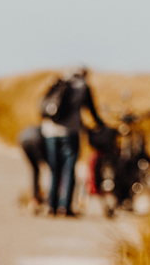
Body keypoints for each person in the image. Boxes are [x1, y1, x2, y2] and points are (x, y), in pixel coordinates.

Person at [38, 66, 102, 217]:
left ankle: (50, 206)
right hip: (70, 132)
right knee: (69, 169)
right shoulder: (83, 87)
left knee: (54, 170)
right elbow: (92, 111)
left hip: (50, 132)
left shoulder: (58, 83)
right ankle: (64, 207)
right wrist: (101, 126)